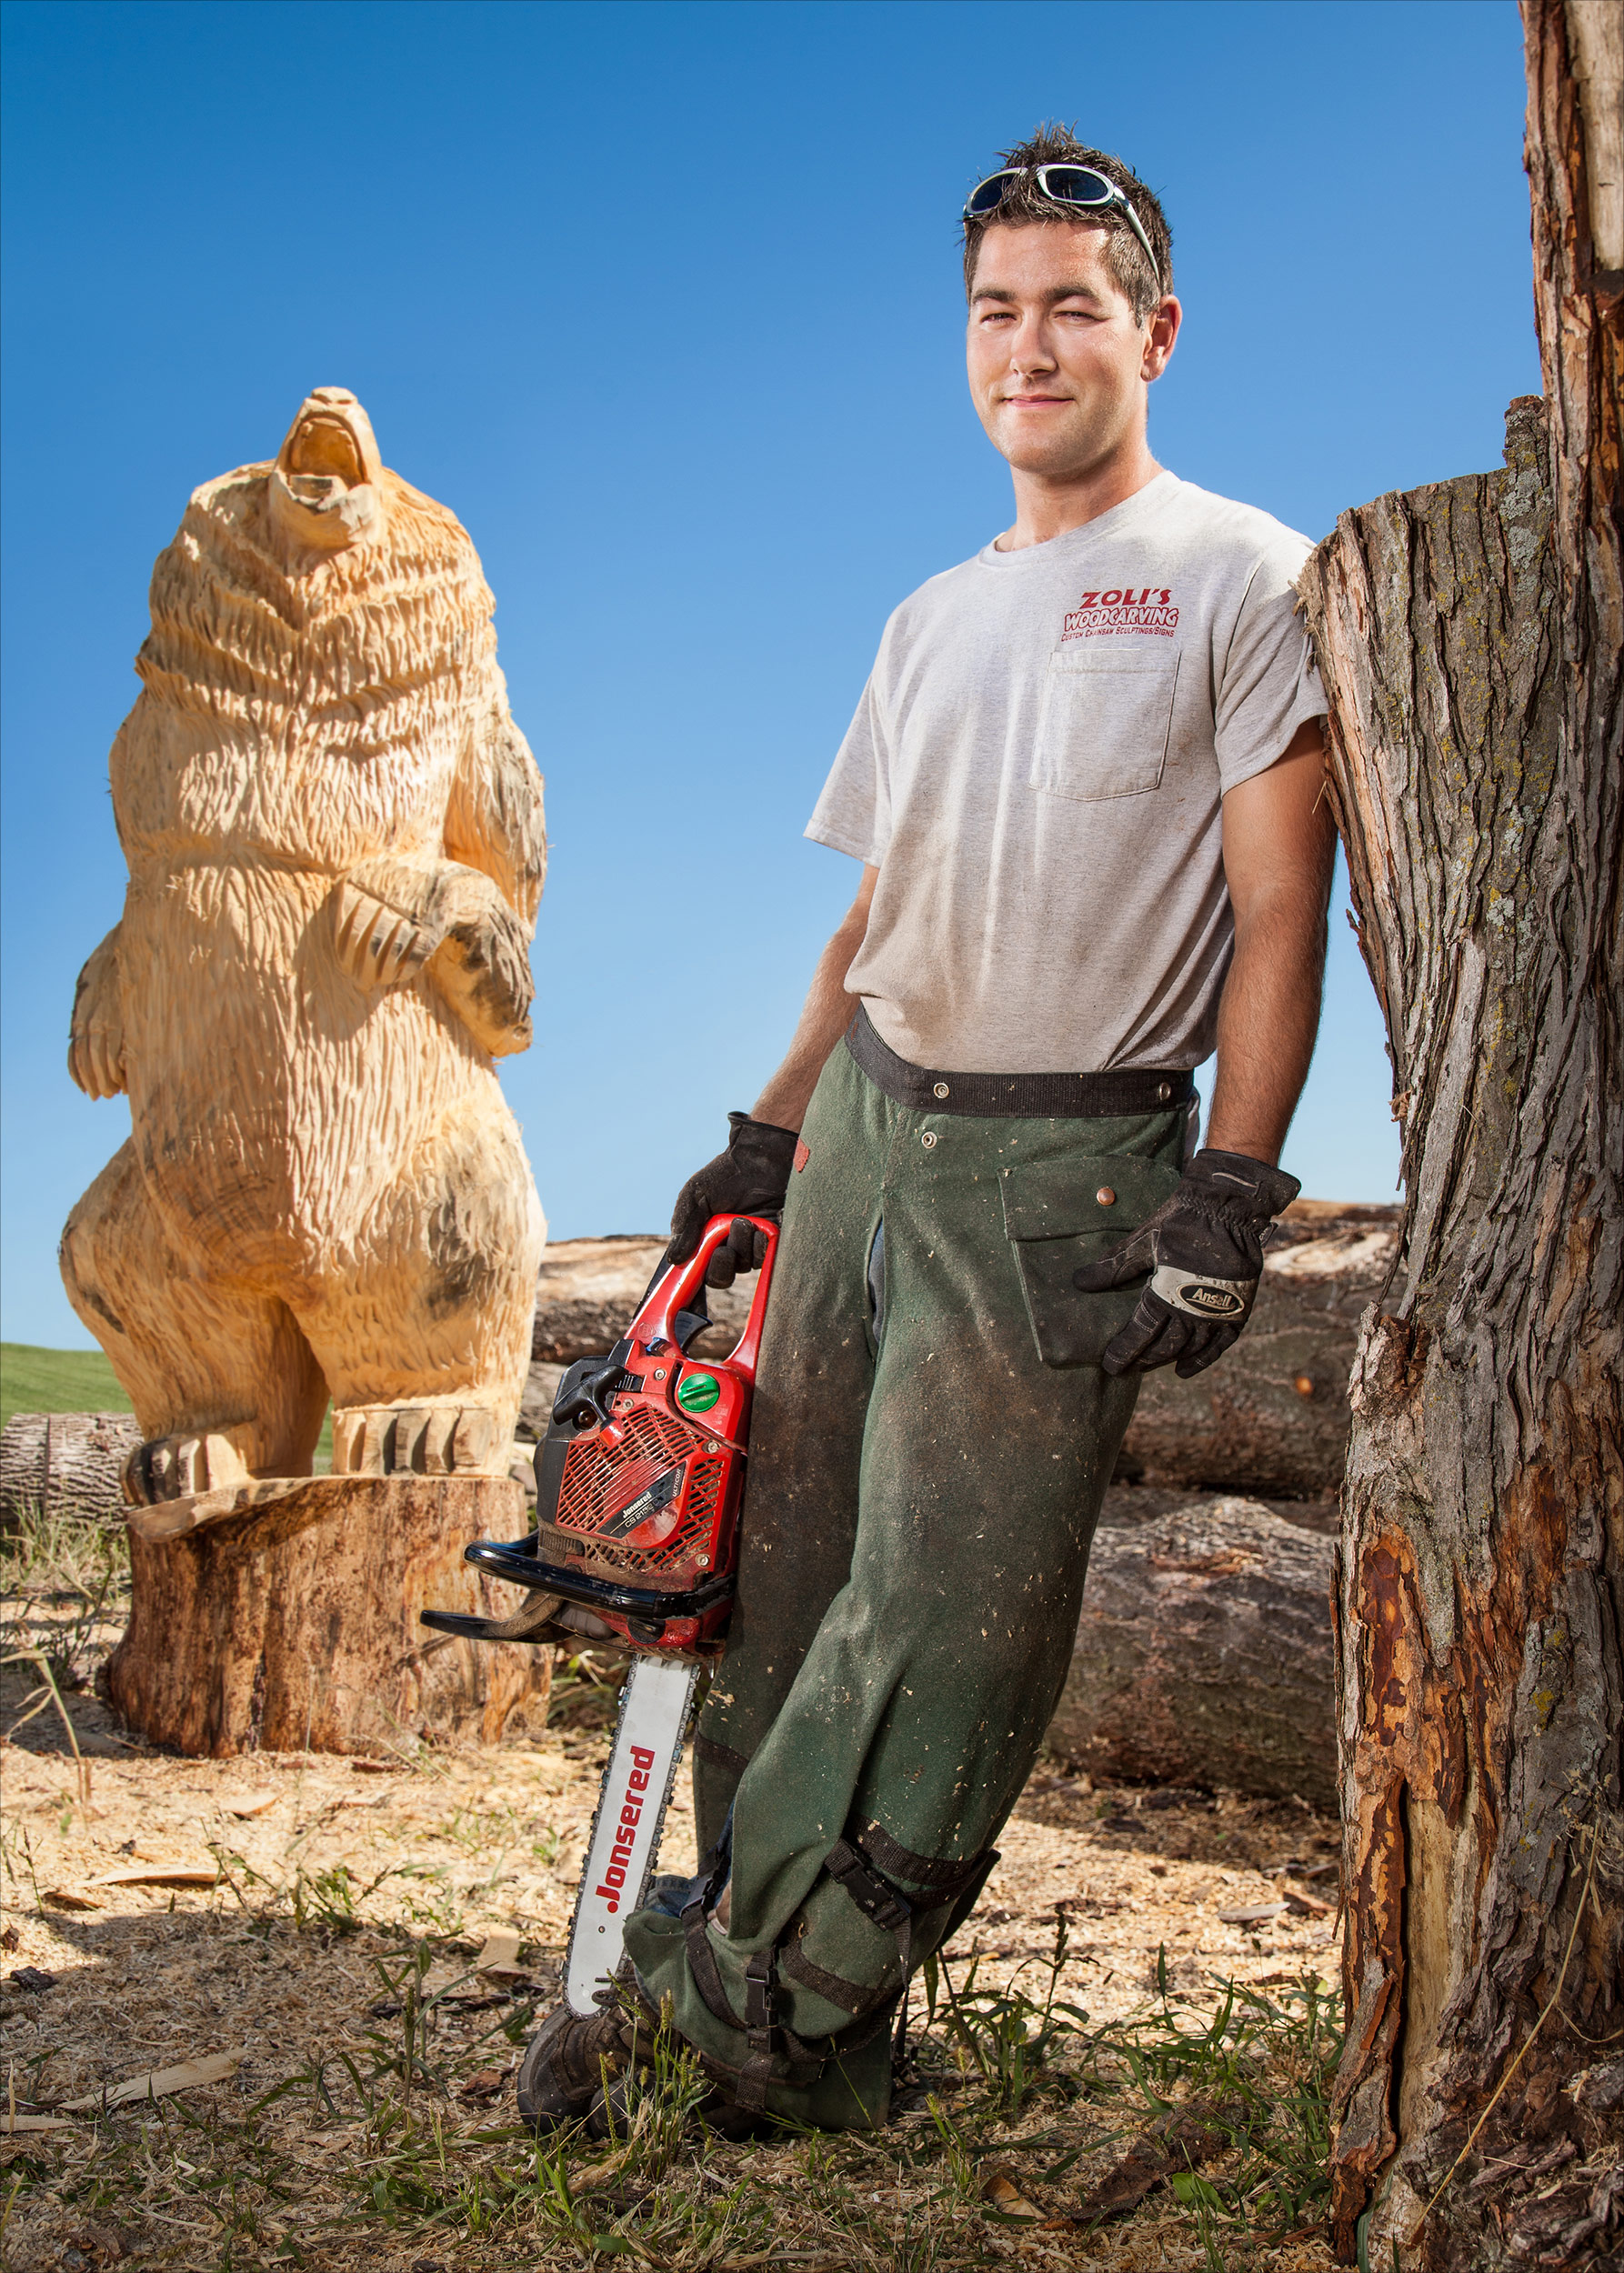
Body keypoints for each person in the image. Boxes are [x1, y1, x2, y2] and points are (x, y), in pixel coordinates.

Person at [519, 123, 1335, 2136]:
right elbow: (869, 915)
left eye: (1071, 306)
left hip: (1062, 1157)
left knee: (950, 1618)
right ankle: (802, 2020)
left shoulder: (1241, 570)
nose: (1027, 344)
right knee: (787, 1580)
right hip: (874, 1124)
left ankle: (739, 2005)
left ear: (1154, 329)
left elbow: (1275, 904)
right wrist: (764, 1127)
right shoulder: (924, 618)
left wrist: (1230, 1175)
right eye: (994, 311)